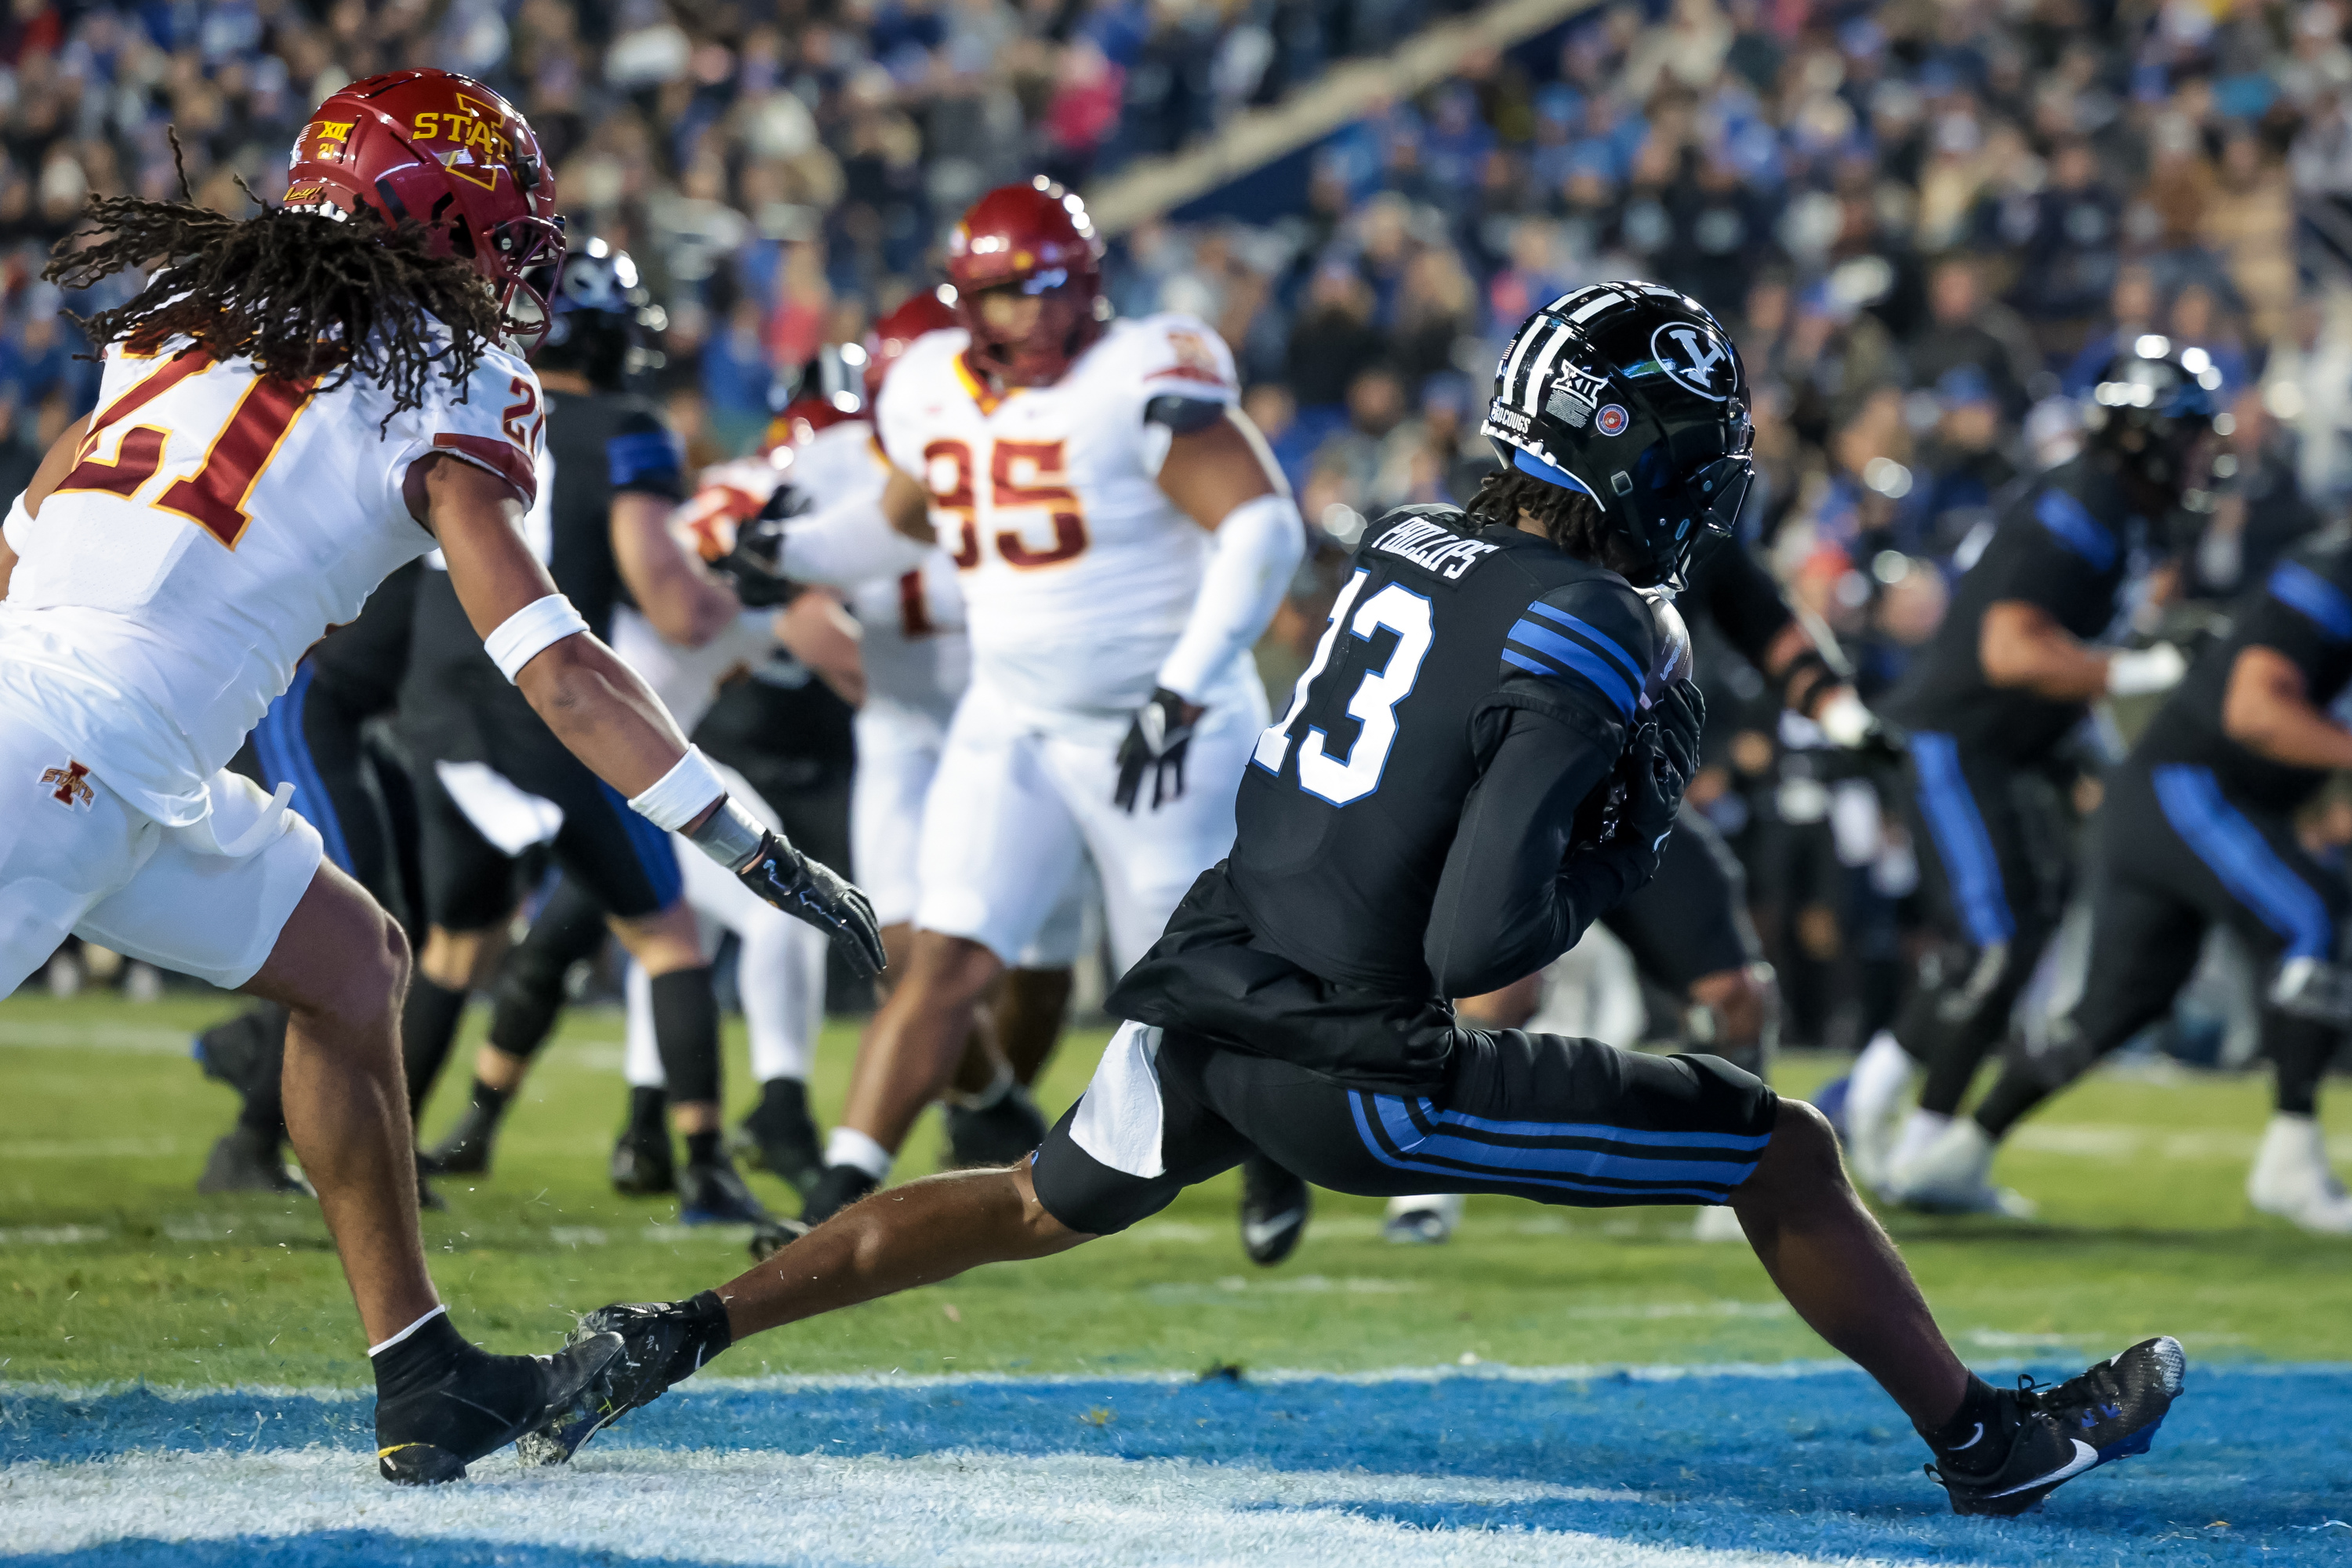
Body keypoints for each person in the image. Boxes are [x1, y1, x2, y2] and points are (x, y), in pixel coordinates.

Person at [521, 285, 2184, 1519]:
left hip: (1207, 991)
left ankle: (679, 1329)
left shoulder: (1402, 541)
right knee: (1786, 1148)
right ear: (1662, 466)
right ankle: (1988, 1439)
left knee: (1031, 1195)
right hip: (1356, 1070)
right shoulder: (1612, 628)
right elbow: (1477, 951)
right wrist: (1624, 841)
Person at [0, 71, 881, 1484]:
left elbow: (33, 518)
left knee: (353, 962)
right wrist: (748, 841)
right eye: (499, 238)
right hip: (70, 754)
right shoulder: (448, 382)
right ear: (434, 230)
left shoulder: (178, 314)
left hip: (95, 737)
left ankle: (424, 1374)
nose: (511, 274)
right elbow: (563, 670)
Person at [746, 180, 1308, 1247]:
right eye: (1010, 295)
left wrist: (1186, 682)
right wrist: (794, 553)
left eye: (1056, 289)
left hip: (1161, 723)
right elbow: (901, 523)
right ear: (967, 300)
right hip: (1014, 715)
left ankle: (1274, 1152)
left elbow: (1262, 530)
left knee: (1192, 984)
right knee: (945, 950)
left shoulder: (1142, 368)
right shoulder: (927, 389)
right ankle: (838, 1190)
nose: (1038, 314)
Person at [413, 243, 835, 1211]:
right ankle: (701, 1162)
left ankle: (386, 1144)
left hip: (438, 695)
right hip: (552, 702)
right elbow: (673, 601)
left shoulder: (468, 400)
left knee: (453, 944)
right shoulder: (625, 426)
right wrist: (756, 605)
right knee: (670, 934)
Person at [1386, 527, 1896, 1245]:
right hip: (1527, 795)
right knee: (1498, 993)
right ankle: (1426, 1185)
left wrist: (1848, 720)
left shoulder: (1694, 534)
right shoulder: (1536, 524)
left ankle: (1739, 1175)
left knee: (1738, 996)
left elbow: (1769, 626)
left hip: (1632, 805)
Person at [691, 291, 1086, 1202]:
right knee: (902, 946)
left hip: (1021, 720)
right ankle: (988, 1109)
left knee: (1043, 963)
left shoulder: (1030, 442)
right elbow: (729, 516)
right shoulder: (830, 459)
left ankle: (991, 1117)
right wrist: (783, 586)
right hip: (902, 730)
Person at [1845, 343, 2220, 1208]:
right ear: (2141, 435)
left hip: (2007, 748)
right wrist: (2142, 671)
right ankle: (1901, 1132)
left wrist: (2098, 750)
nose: (2204, 452)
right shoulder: (2081, 500)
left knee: (2017, 932)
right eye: (2190, 432)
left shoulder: (2121, 512)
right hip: (1954, 738)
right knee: (1998, 938)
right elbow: (2011, 648)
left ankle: (1905, 1130)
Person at [1899, 528, 2352, 1230]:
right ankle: (2291, 1157)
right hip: (2190, 790)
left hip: (2174, 800)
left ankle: (1961, 1151)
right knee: (2313, 916)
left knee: (2118, 1005)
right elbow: (2256, 711)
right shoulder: (2333, 570)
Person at [192, 559, 423, 1194]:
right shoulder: (448, 479)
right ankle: (250, 1140)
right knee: (347, 935)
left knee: (397, 931)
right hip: (302, 702)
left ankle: (247, 1047)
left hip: (353, 717)